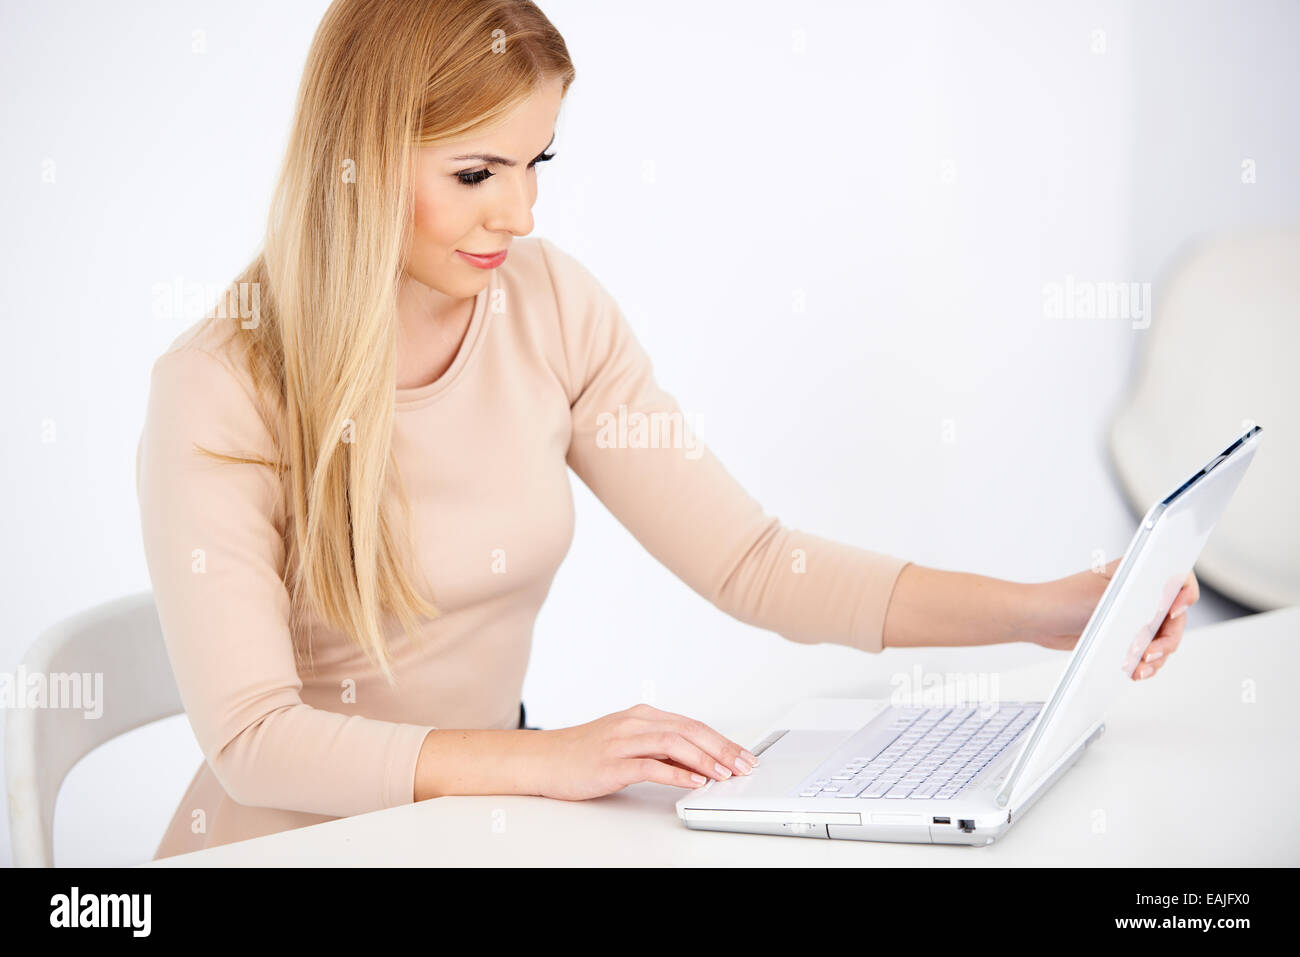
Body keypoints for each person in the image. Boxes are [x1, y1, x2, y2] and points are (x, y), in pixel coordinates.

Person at [135, 0, 1198, 859]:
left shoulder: (550, 306)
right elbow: (253, 744)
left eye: (536, 163)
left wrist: (1045, 612)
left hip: (474, 831)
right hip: (278, 850)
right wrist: (543, 758)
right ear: (356, 162)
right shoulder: (218, 384)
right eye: (476, 173)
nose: (522, 215)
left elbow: (751, 562)